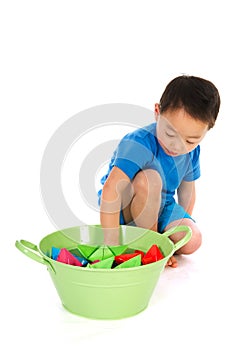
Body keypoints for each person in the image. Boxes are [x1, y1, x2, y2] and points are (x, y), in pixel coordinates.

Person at [98, 75, 220, 267]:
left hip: (161, 206)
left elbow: (188, 193)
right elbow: (111, 189)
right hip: (126, 206)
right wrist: (111, 243)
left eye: (190, 140)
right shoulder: (138, 143)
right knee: (151, 178)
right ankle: (148, 243)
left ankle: (153, 241)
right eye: (170, 133)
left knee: (193, 239)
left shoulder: (192, 153)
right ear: (157, 112)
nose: (177, 145)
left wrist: (179, 225)